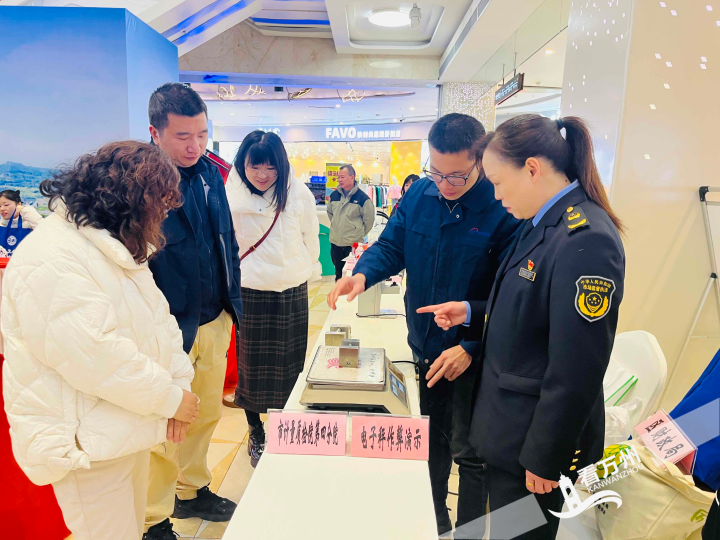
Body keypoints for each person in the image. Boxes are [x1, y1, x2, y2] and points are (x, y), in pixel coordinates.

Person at [421, 115, 626, 539]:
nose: (496, 195)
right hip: (509, 431)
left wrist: (546, 457)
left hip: (534, 447)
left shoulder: (585, 239)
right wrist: (470, 312)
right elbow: (529, 311)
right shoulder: (543, 222)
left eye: (499, 182)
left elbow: (577, 368)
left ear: (532, 169)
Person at [327, 113, 522, 535]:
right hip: (426, 345)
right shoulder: (419, 194)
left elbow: (512, 295)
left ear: (480, 161)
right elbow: (392, 245)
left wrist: (471, 345)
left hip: (476, 355)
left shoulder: (502, 207)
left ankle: (468, 532)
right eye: (437, 172)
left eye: (457, 175)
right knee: (431, 440)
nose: (445, 184)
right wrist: (362, 274)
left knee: (471, 454)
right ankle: (437, 523)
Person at [2, 142, 198, 540]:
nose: (163, 215)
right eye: (158, 203)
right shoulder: (53, 255)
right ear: (129, 199)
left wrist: (180, 387)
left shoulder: (112, 246)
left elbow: (159, 322)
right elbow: (95, 357)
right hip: (85, 442)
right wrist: (171, 399)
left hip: (124, 424)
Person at [144, 83, 243, 540]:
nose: (194, 145)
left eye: (202, 134)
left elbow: (226, 240)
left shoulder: (210, 175)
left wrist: (231, 304)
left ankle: (192, 490)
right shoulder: (141, 185)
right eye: (183, 136)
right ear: (155, 132)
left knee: (204, 415)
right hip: (167, 327)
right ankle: (153, 519)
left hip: (213, 317)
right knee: (165, 426)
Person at [226, 131, 320, 467]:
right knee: (251, 368)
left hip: (290, 289)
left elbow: (311, 238)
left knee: (290, 366)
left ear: (281, 165)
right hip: (250, 291)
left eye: (270, 167)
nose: (263, 174)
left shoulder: (299, 193)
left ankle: (286, 429)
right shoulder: (230, 196)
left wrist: (303, 268)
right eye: (255, 166)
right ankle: (256, 431)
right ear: (243, 164)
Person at [327, 164, 375, 281]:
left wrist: (357, 233)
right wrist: (337, 226)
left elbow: (369, 221)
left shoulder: (363, 199)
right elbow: (330, 213)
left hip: (353, 245)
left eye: (342, 177)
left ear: (352, 177)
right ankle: (339, 292)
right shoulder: (334, 195)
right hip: (336, 243)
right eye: (338, 177)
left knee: (353, 275)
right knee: (339, 274)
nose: (339, 180)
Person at [0, 189, 43, 255]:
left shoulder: (29, 223)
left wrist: (24, 210)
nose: (2, 209)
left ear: (18, 204)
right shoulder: (1, 225)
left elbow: (45, 230)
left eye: (6, 205)